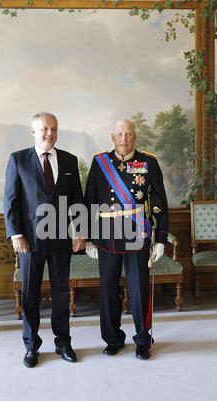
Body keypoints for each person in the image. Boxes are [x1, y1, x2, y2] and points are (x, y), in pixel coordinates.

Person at [4, 112, 85, 368]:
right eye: (44, 129)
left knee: (62, 292)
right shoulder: (18, 160)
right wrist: (16, 234)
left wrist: (80, 231)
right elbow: (10, 200)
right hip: (30, 241)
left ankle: (63, 342)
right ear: (34, 132)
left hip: (61, 238)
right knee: (30, 294)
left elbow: (77, 200)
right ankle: (31, 346)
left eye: (54, 129)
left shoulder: (70, 161)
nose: (49, 133)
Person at [84, 119, 168, 360]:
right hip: (107, 236)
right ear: (113, 136)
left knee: (139, 290)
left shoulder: (149, 162)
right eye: (120, 134)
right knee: (108, 290)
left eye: (128, 134)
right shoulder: (100, 162)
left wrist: (160, 239)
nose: (124, 138)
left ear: (135, 137)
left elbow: (159, 202)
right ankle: (112, 339)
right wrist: (89, 239)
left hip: (137, 234)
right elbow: (90, 200)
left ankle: (143, 340)